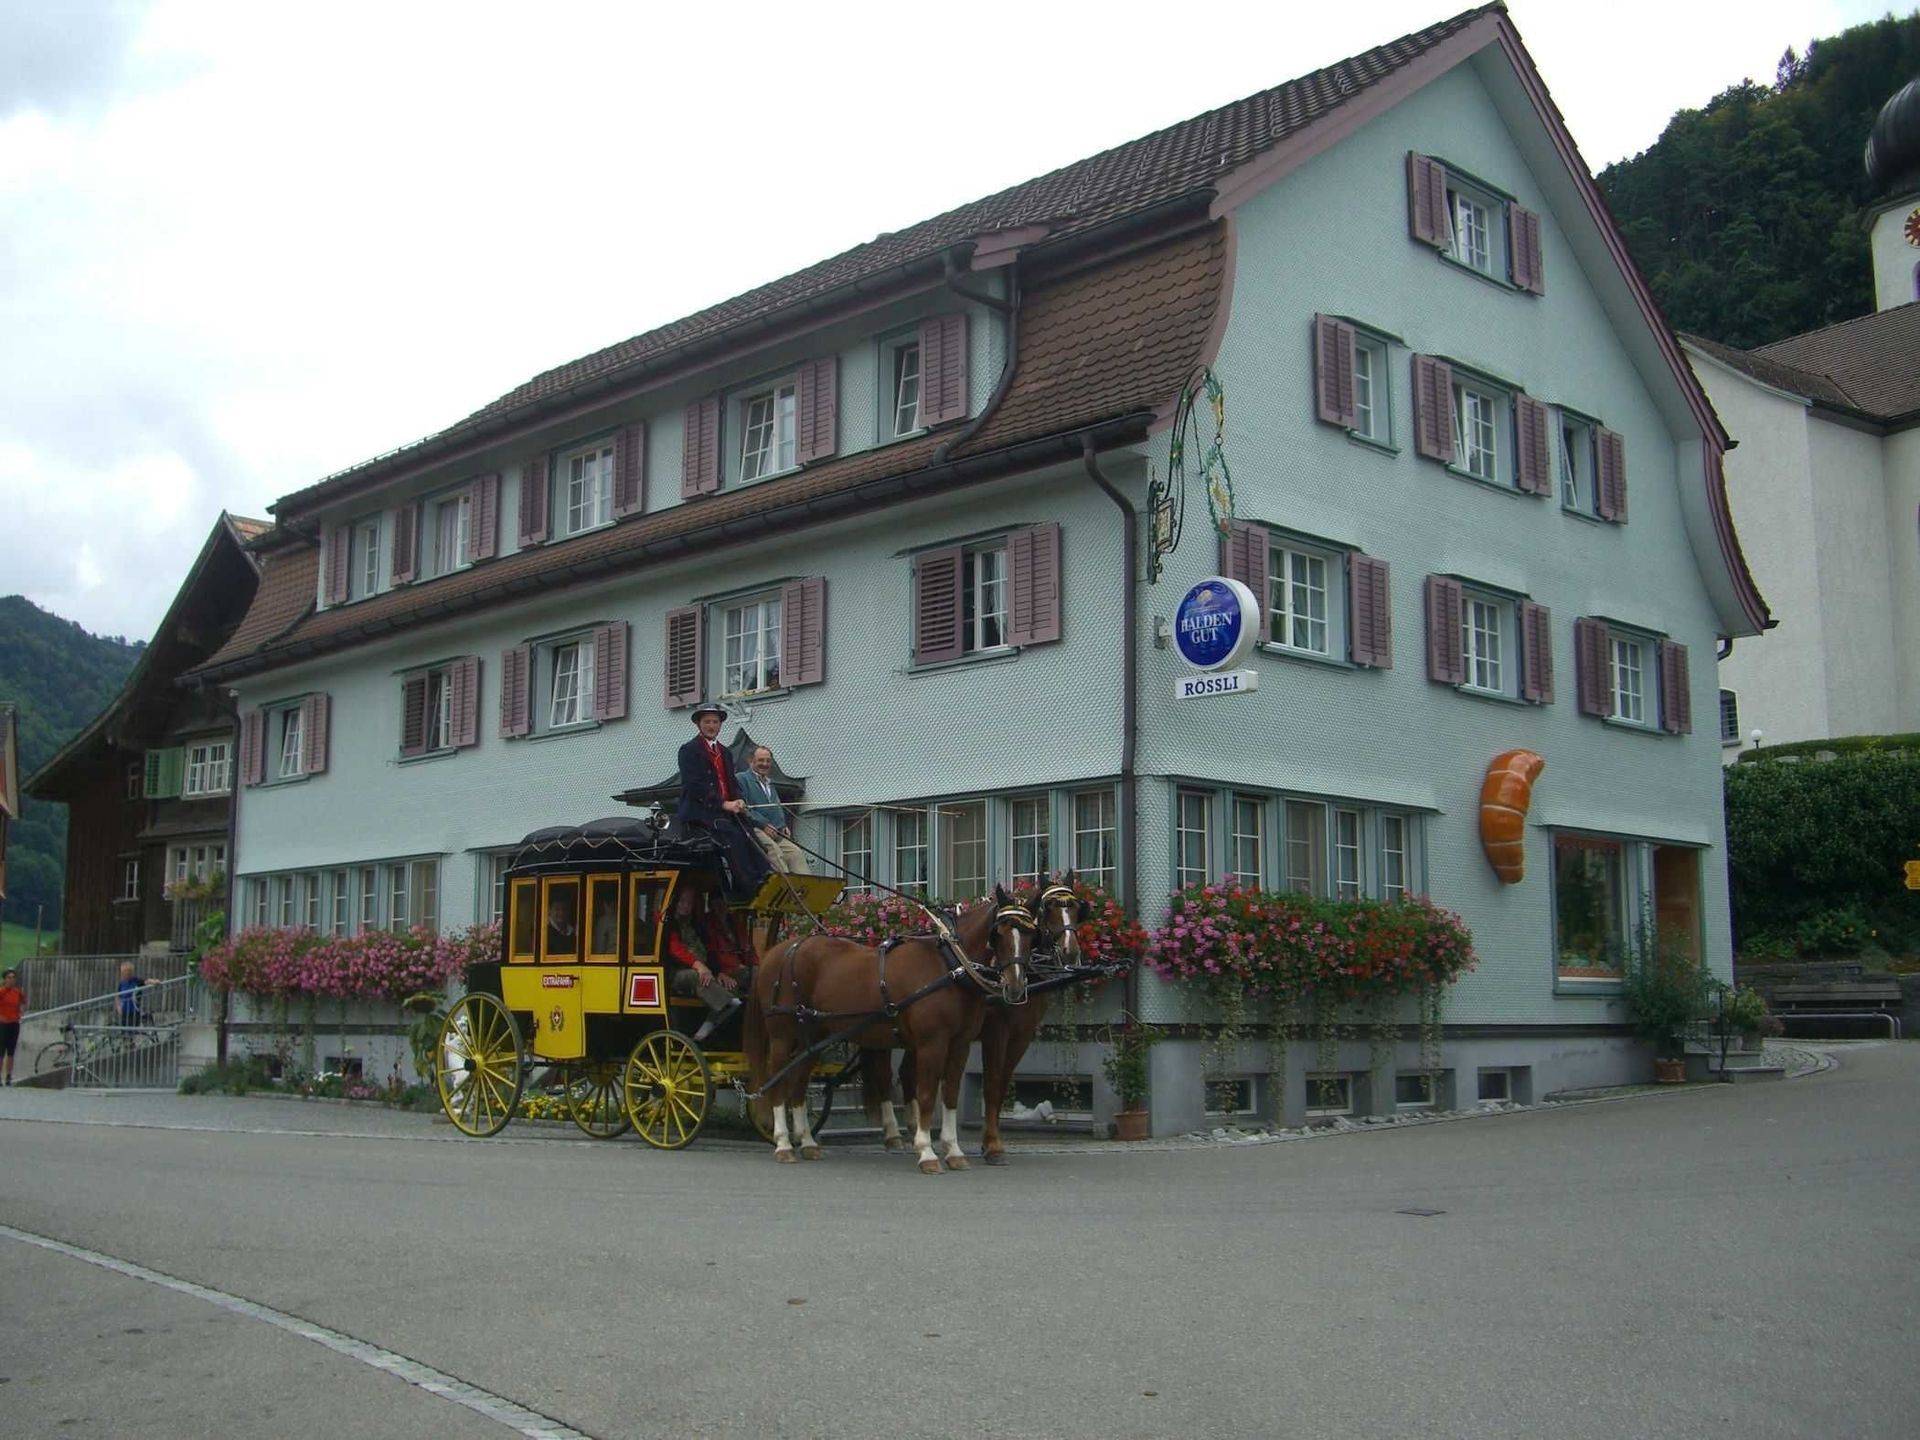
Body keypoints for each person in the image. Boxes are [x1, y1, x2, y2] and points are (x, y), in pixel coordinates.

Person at [674, 702, 773, 900]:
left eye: (715, 722)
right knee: (731, 835)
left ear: (720, 725)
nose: (712, 726)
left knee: (749, 833)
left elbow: (731, 783)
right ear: (699, 725)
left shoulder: (725, 752)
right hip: (701, 811)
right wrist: (722, 803)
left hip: (725, 810)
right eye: (707, 722)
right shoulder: (689, 750)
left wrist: (738, 800)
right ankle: (748, 885)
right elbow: (695, 785)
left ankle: (765, 876)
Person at [664, 887, 744, 1042]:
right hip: (676, 974)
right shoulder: (669, 924)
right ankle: (727, 1004)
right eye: (682, 901)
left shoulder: (697, 925)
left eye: (689, 902)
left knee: (729, 983)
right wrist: (699, 966)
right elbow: (675, 949)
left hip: (705, 971)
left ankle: (707, 1026)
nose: (685, 906)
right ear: (674, 902)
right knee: (697, 976)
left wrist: (719, 972)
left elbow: (710, 950)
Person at [736, 745, 809, 875]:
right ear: (750, 761)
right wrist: (763, 825)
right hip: (754, 828)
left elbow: (776, 806)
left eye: (768, 761)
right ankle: (786, 888)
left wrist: (783, 824)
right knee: (774, 851)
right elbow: (744, 808)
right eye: (761, 760)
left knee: (795, 853)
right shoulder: (741, 779)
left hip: (776, 830)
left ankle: (807, 890)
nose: (765, 764)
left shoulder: (769, 783)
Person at [0, 967, 23, 1085]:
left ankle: (9, 1075)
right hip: (3, 1024)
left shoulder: (17, 992)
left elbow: (21, 1004)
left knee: (11, 1051)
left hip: (14, 1023)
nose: (11, 980)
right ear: (5, 979)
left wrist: (19, 1015)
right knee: (1, 1051)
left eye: (13, 978)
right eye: (9, 977)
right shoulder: (1, 991)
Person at [546, 888, 581, 956]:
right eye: (557, 909)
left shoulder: (574, 931)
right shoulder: (543, 932)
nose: (561, 913)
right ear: (549, 910)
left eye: (564, 909)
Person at [115, 960, 148, 1026]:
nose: (127, 973)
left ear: (131, 972)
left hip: (134, 1010)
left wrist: (154, 981)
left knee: (133, 1031)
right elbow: (118, 996)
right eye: (125, 971)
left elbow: (146, 982)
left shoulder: (136, 980)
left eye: (129, 971)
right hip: (124, 1010)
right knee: (124, 1032)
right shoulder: (122, 983)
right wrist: (118, 1007)